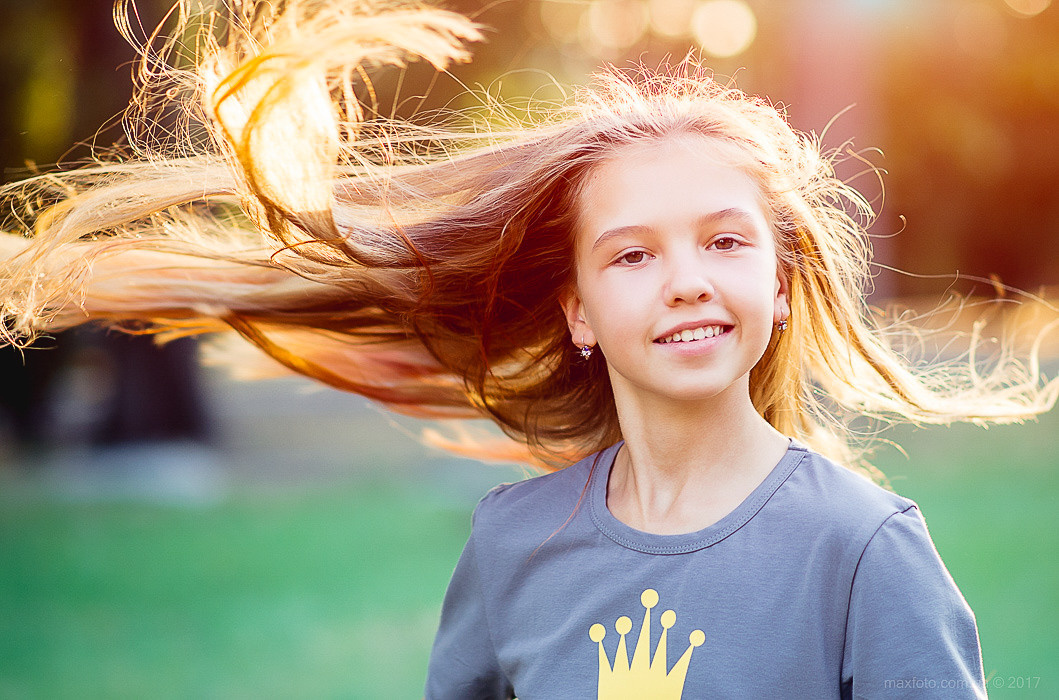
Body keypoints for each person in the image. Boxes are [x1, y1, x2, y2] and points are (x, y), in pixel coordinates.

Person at [1, 1, 1055, 697]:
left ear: (779, 285)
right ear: (578, 312)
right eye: (632, 254)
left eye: (726, 241)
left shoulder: (864, 550)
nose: (687, 278)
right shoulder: (515, 543)